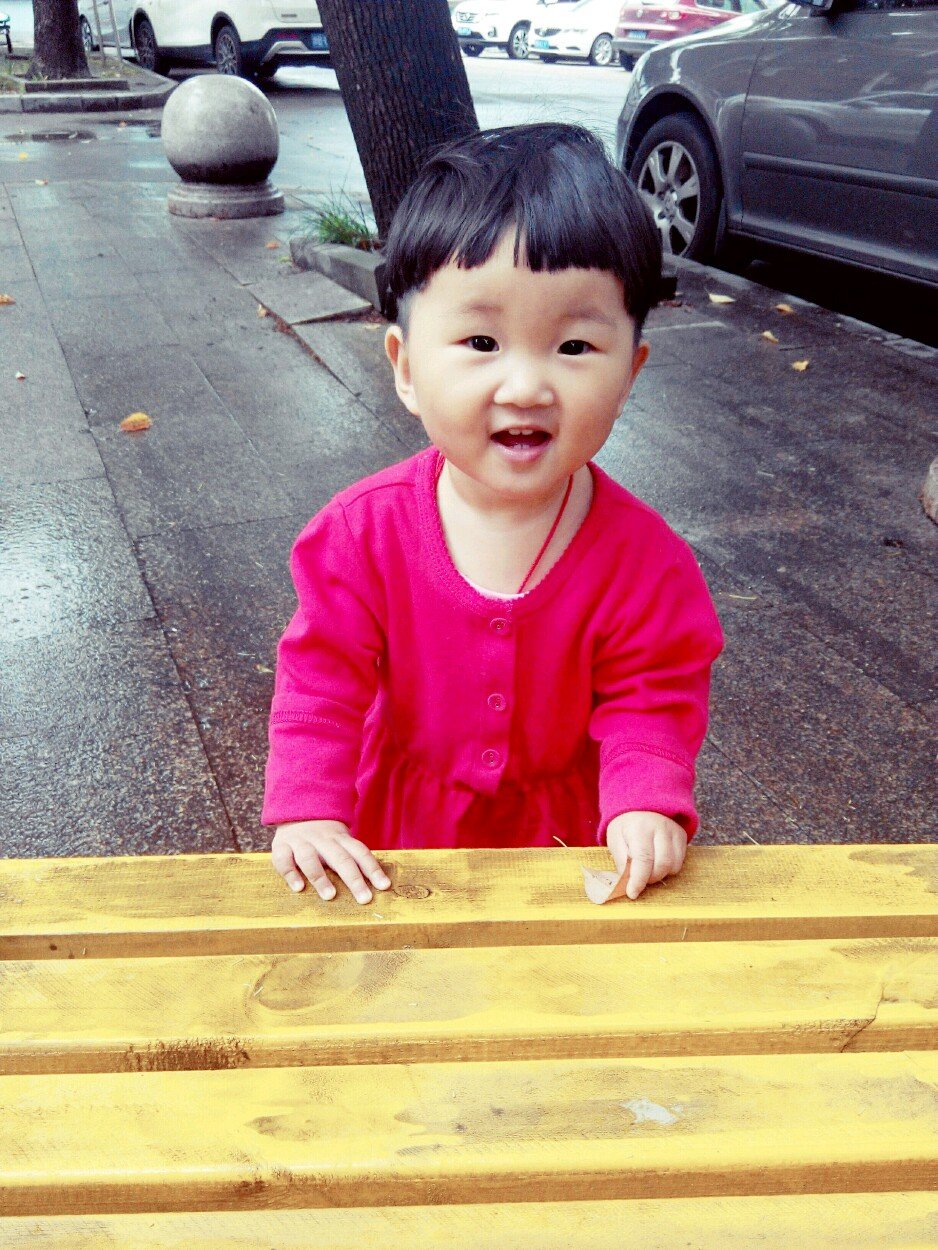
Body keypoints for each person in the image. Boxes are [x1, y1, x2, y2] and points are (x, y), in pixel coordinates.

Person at [263, 122, 723, 905]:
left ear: (630, 373)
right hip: (397, 833)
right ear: (406, 368)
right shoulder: (360, 536)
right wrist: (309, 810)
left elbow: (652, 695)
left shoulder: (647, 563)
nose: (526, 387)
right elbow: (321, 681)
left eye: (574, 348)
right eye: (481, 340)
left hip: (568, 840)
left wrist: (645, 800)